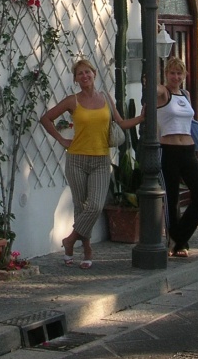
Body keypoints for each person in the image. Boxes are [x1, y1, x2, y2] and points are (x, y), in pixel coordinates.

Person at [40, 58, 142, 270]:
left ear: (94, 74)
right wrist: (62, 139)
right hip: (76, 159)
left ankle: (69, 240)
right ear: (76, 79)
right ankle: (85, 250)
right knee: (80, 207)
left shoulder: (105, 98)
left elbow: (121, 123)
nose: (84, 76)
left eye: (87, 72)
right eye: (80, 74)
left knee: (95, 205)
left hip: (101, 160)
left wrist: (142, 118)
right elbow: (46, 119)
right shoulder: (72, 101)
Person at [156, 56, 198, 258]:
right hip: (168, 151)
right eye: (172, 73)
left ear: (185, 75)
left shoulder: (186, 94)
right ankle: (179, 243)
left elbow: (193, 122)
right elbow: (154, 89)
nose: (176, 77)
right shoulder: (163, 92)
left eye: (179, 73)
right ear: (166, 74)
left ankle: (178, 236)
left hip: (188, 150)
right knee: (171, 198)